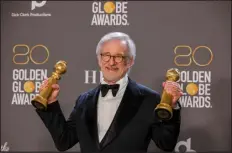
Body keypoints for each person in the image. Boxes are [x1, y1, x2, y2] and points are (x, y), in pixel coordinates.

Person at [36, 32, 183, 153]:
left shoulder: (149, 99)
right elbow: (64, 141)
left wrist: (172, 107)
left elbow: (166, 144)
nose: (111, 62)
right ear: (99, 60)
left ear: (130, 61)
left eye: (118, 57)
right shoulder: (84, 100)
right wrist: (50, 104)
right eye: (106, 55)